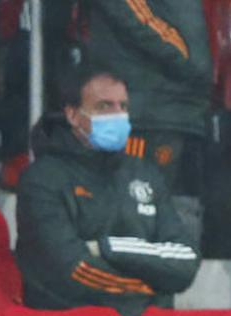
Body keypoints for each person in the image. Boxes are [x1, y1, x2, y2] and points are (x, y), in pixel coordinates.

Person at [16, 65, 201, 316]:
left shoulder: (145, 174)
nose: (118, 115)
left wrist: (107, 248)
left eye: (123, 107)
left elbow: (186, 261)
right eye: (104, 106)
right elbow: (70, 270)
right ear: (72, 115)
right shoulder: (42, 180)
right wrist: (152, 292)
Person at [86, 0, 212, 197]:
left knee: (135, 207)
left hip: (148, 111)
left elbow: (139, 19)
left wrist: (188, 58)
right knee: (163, 207)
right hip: (166, 105)